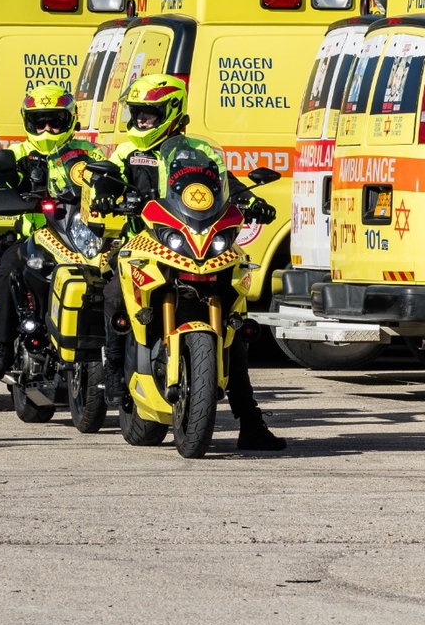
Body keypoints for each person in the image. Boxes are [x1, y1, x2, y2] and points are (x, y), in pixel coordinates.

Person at [91, 74, 285, 451]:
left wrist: (249, 199)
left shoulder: (199, 151)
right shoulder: (127, 151)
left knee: (237, 329)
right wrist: (104, 195)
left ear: (173, 112)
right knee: (114, 293)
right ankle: (113, 373)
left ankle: (251, 424)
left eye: (150, 113)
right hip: (143, 239)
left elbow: (222, 181)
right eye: (138, 113)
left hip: (197, 241)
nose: (142, 120)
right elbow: (107, 180)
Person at [0, 84, 100, 381]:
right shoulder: (19, 152)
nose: (47, 128)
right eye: (40, 122)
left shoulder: (88, 153)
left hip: (80, 238)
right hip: (31, 237)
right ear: (29, 123)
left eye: (55, 121)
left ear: (69, 120)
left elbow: (106, 183)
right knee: (7, 270)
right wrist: (14, 184)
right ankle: (2, 346)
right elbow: (2, 185)